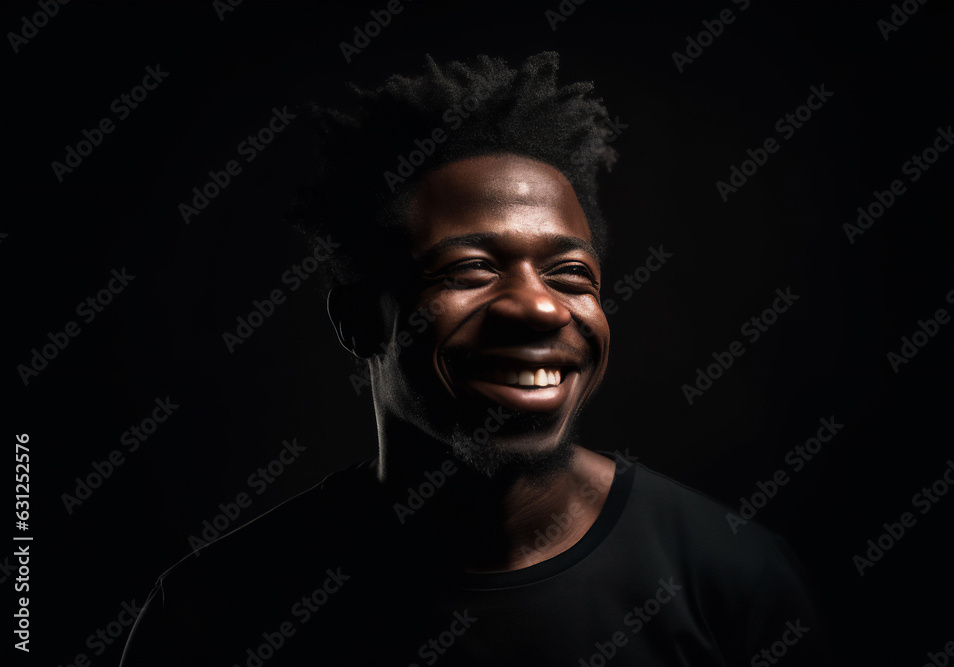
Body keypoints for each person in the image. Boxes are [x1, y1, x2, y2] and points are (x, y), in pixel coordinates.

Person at [120, 52, 830, 666]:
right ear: (362, 319)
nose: (540, 308)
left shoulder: (733, 581)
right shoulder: (218, 611)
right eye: (470, 270)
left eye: (571, 275)